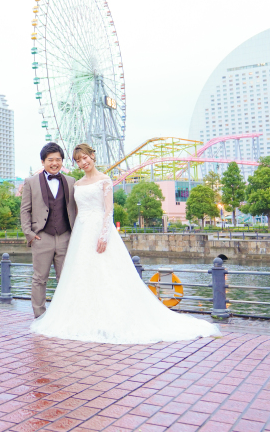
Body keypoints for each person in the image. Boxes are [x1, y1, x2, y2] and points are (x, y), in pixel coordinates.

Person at [30, 143, 220, 344]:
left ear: (93, 156)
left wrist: (104, 235)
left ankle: (111, 317)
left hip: (99, 232)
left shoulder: (104, 180)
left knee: (107, 276)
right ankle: (85, 317)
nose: (83, 162)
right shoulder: (76, 184)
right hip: (80, 233)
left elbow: (108, 211)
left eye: (85, 157)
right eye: (78, 160)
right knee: (83, 277)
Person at [20, 142, 78, 318]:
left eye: (58, 159)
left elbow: (76, 208)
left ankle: (65, 315)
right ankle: (40, 315)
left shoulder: (71, 181)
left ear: (62, 161)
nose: (55, 163)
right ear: (43, 162)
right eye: (50, 160)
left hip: (65, 237)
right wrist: (29, 234)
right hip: (41, 236)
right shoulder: (30, 182)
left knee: (66, 279)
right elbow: (25, 210)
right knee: (39, 279)